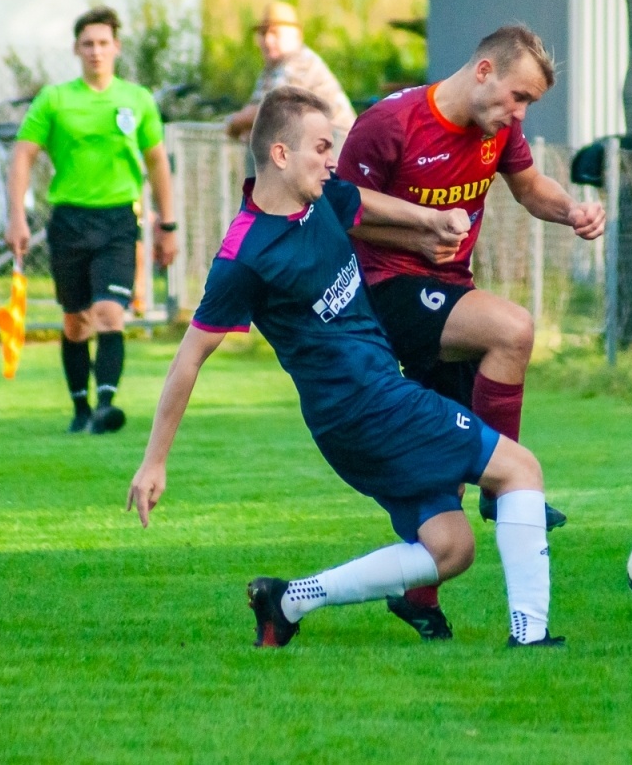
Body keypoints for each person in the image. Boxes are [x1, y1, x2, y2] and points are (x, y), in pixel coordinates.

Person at [127, 87, 564, 648]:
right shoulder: (244, 256)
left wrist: (431, 222)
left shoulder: (320, 199)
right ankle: (531, 637)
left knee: (451, 550)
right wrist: (154, 462)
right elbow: (189, 358)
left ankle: (287, 601)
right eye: (322, 147)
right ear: (281, 154)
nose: (332, 159)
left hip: (353, 420)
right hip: (372, 406)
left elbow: (362, 200)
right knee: (520, 470)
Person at [336, 24, 605, 640]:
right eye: (518, 97)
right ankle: (502, 485)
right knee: (512, 330)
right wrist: (421, 230)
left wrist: (574, 211)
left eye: (529, 104)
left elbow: (532, 187)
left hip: (448, 292)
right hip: (386, 291)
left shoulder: (500, 129)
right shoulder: (391, 123)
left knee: (445, 465)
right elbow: (341, 214)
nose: (520, 113)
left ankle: (419, 596)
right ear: (483, 70)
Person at [7, 7, 178, 435]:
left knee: (108, 312)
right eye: (88, 44)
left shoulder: (137, 100)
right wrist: (16, 218)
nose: (96, 51)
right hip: (68, 220)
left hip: (119, 220)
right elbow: (23, 154)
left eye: (104, 43)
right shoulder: (55, 99)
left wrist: (168, 225)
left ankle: (105, 406)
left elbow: (157, 163)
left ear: (116, 48)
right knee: (75, 321)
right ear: (76, 49)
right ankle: (80, 407)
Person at [225, 1, 356, 144]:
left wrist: (235, 122)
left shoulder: (301, 62)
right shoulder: (273, 67)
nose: (268, 40)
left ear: (296, 36)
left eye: (275, 33)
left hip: (340, 151)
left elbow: (273, 110)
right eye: (263, 33)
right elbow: (256, 106)